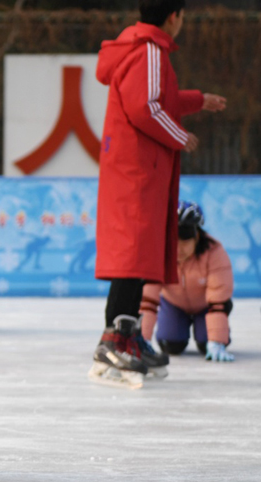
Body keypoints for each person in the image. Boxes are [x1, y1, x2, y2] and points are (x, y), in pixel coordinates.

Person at [89, 0, 227, 389]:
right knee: (133, 253)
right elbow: (145, 106)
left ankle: (127, 333)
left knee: (141, 252)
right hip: (138, 169)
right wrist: (181, 135)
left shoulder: (146, 50)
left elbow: (159, 100)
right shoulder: (149, 49)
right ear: (174, 16)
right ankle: (113, 338)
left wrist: (198, 100)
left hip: (139, 169)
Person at [140, 201, 235, 361]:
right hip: (173, 304)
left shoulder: (214, 252)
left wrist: (217, 340)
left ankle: (213, 339)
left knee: (206, 344)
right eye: (174, 242)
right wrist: (142, 340)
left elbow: (218, 298)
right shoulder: (158, 254)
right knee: (171, 345)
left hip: (206, 306)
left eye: (185, 241)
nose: (179, 249)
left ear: (197, 236)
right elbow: (147, 300)